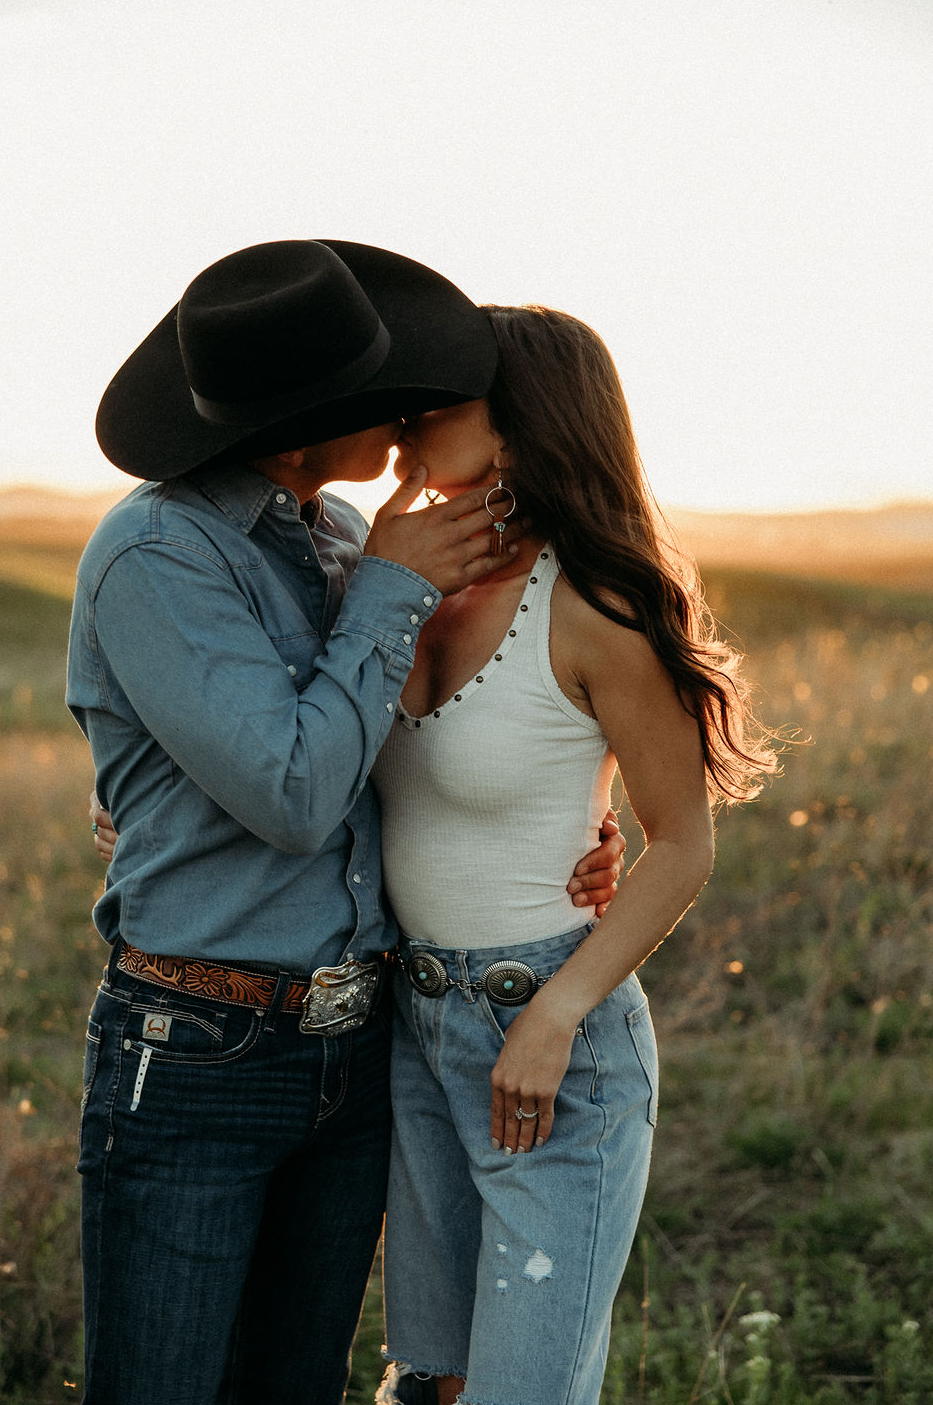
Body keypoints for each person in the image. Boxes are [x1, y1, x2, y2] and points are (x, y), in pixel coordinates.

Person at [66, 240, 624, 1405]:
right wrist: (390, 588)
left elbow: (399, 742)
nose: (406, 415)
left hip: (357, 1045)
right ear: (304, 424)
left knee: (294, 1383)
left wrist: (581, 813)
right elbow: (294, 791)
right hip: (198, 1048)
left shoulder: (330, 539)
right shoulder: (159, 551)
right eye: (382, 398)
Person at [363, 305, 779, 1405]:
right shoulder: (400, 591)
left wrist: (554, 1015)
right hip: (415, 1027)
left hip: (553, 1045)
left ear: (519, 422)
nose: (402, 428)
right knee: (429, 1384)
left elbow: (680, 843)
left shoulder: (598, 608)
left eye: (434, 405)